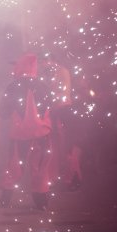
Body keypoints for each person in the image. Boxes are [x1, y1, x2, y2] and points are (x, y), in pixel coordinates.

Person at [0, 53, 53, 210]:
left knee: (15, 166)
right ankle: (41, 201)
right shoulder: (43, 86)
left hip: (21, 135)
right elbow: (51, 106)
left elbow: (3, 112)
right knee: (41, 167)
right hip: (43, 134)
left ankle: (5, 198)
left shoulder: (13, 86)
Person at [41, 53, 82, 191]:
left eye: (45, 61)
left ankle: (72, 177)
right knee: (57, 145)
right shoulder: (52, 72)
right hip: (56, 111)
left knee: (65, 145)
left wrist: (48, 97)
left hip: (62, 110)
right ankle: (62, 177)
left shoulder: (61, 71)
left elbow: (62, 93)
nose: (44, 64)